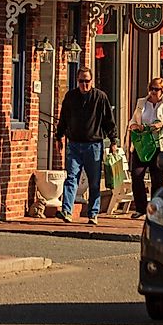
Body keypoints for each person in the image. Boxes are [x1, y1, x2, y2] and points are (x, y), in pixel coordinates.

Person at [54, 67, 116, 225]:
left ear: (92, 81)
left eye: (87, 81)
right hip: (74, 144)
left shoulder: (100, 97)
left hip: (93, 145)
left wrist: (113, 140)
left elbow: (108, 120)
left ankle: (93, 213)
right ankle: (67, 211)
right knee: (71, 177)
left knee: (94, 181)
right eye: (81, 81)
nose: (84, 84)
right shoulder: (71, 96)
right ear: (77, 81)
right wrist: (58, 136)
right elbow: (64, 118)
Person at [128, 77, 163, 219]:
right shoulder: (142, 102)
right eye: (151, 88)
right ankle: (140, 208)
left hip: (160, 146)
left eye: (156, 89)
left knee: (157, 180)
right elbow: (133, 121)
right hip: (143, 145)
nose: (153, 92)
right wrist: (136, 126)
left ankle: (154, 211)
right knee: (137, 175)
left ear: (162, 90)